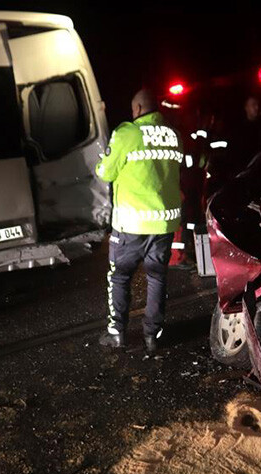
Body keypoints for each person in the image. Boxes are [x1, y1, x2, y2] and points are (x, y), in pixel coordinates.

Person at [95, 89, 183, 354]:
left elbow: (105, 172)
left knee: (119, 277)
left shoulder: (127, 133)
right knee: (157, 278)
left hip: (131, 226)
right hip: (165, 224)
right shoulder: (173, 134)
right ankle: (151, 336)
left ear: (137, 108)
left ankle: (117, 334)